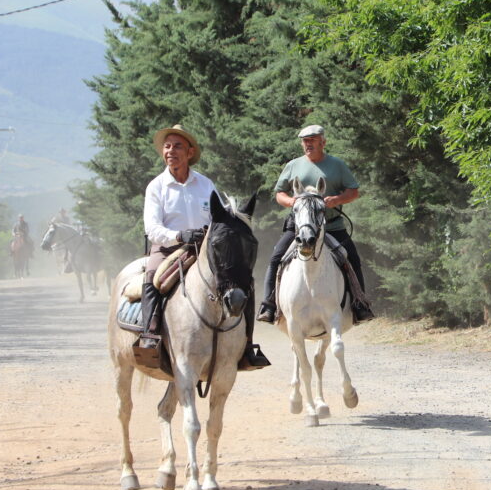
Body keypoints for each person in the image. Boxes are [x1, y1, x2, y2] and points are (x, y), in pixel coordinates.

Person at [138, 124, 269, 370]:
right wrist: (179, 236)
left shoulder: (205, 184)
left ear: (189, 152)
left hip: (206, 250)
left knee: (243, 280)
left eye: (177, 146)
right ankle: (151, 335)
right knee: (153, 276)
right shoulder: (156, 187)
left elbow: (220, 217)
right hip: (168, 249)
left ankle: (247, 344)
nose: (171, 151)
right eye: (167, 146)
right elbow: (152, 228)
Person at [257, 124, 374, 324]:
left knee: (352, 258)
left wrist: (336, 200)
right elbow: (279, 194)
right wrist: (292, 202)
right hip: (299, 227)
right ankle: (269, 305)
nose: (308, 144)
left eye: (312, 140)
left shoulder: (337, 165)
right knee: (276, 257)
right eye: (305, 141)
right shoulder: (293, 165)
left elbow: (353, 191)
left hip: (332, 227)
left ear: (323, 142)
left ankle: (359, 304)